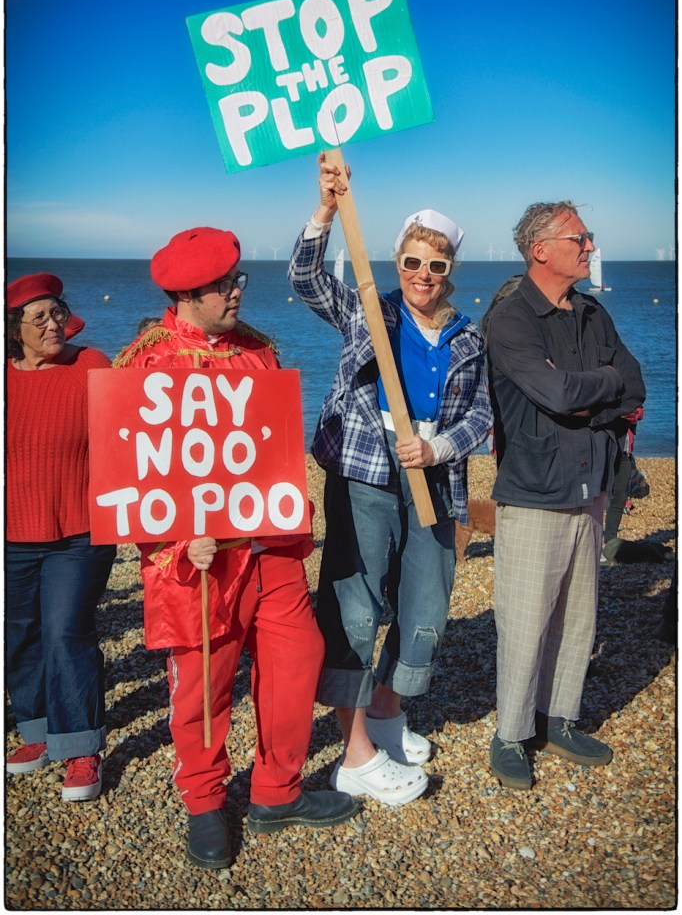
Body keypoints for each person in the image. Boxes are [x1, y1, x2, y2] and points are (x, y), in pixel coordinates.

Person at [113, 226, 357, 869]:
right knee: (202, 681)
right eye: (223, 286)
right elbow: (130, 473)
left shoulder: (257, 350)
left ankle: (278, 790)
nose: (236, 292)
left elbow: (273, 450)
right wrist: (173, 538)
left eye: (235, 281)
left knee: (296, 659)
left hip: (269, 545)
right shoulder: (145, 361)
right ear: (186, 295)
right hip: (195, 560)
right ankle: (204, 800)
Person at [288, 153, 492, 806]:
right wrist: (326, 208)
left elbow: (481, 415)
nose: (422, 275)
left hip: (433, 477)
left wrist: (438, 449)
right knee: (356, 604)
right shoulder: (369, 310)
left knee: (426, 600)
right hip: (364, 472)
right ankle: (355, 754)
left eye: (436, 266)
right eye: (412, 262)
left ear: (450, 271)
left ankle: (385, 710)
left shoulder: (468, 338)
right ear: (397, 261)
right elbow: (304, 277)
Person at [486, 202, 645, 790]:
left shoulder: (592, 312)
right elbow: (554, 392)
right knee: (525, 620)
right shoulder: (511, 319)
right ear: (541, 249)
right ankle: (510, 734)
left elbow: (634, 384)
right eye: (580, 237)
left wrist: (593, 394)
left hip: (591, 482)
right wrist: (601, 386)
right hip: (536, 488)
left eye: (587, 237)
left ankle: (559, 719)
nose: (589, 246)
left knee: (579, 614)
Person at [6, 273, 116, 801]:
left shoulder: (92, 364)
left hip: (80, 530)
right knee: (19, 632)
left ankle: (80, 747)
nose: (53, 324)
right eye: (39, 317)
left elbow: (131, 429)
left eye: (57, 313)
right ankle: (35, 728)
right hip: (12, 533)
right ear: (14, 329)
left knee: (66, 632)